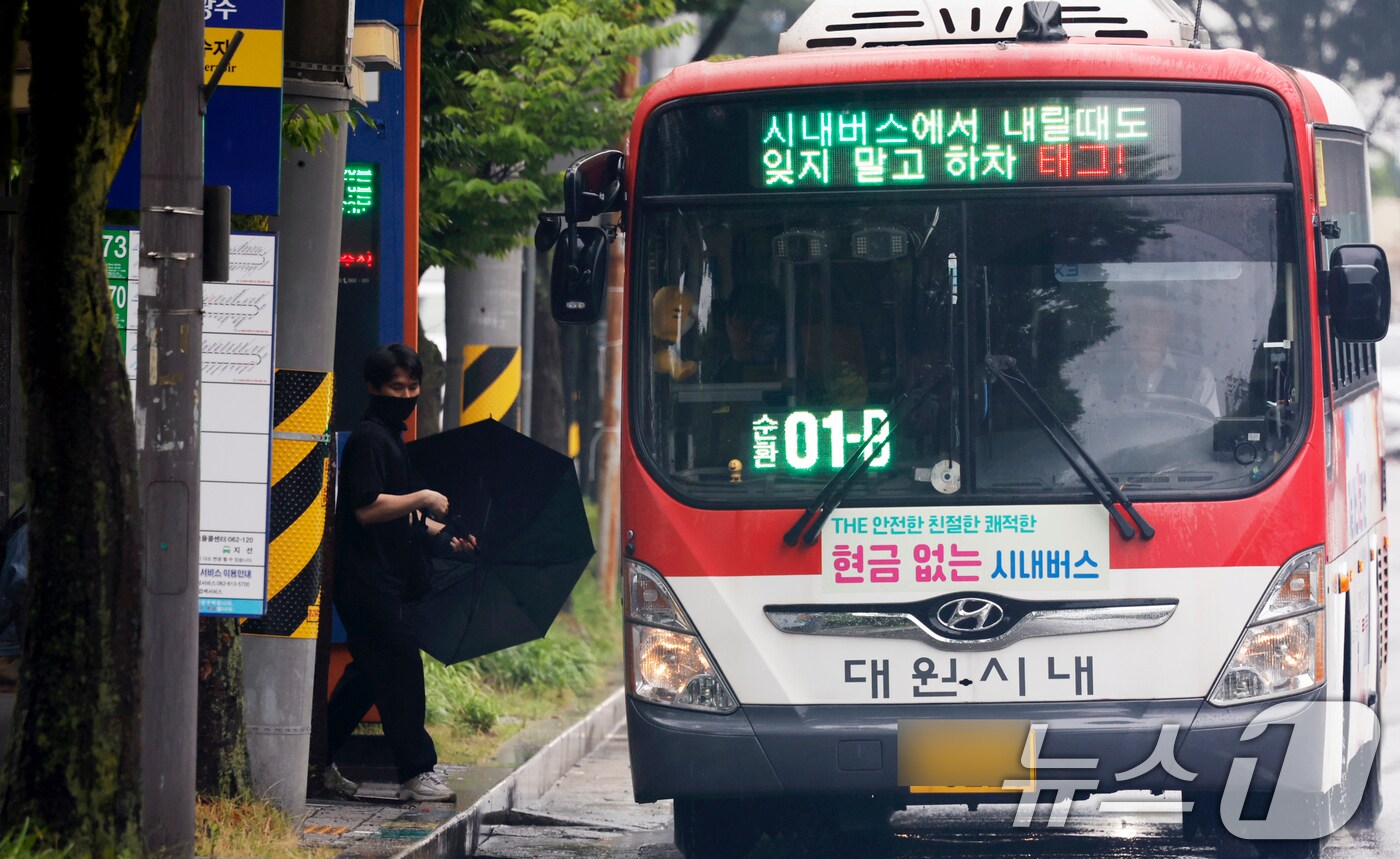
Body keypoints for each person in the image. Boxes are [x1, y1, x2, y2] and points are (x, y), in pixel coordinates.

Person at [324, 344, 476, 802]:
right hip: (367, 582)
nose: (406, 394)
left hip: (385, 579)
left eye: (412, 387)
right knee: (402, 671)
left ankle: (317, 759)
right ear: (374, 387)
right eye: (396, 387)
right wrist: (424, 497)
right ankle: (416, 772)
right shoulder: (370, 438)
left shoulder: (391, 438)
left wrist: (443, 534)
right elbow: (368, 509)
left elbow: (401, 514)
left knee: (369, 675)